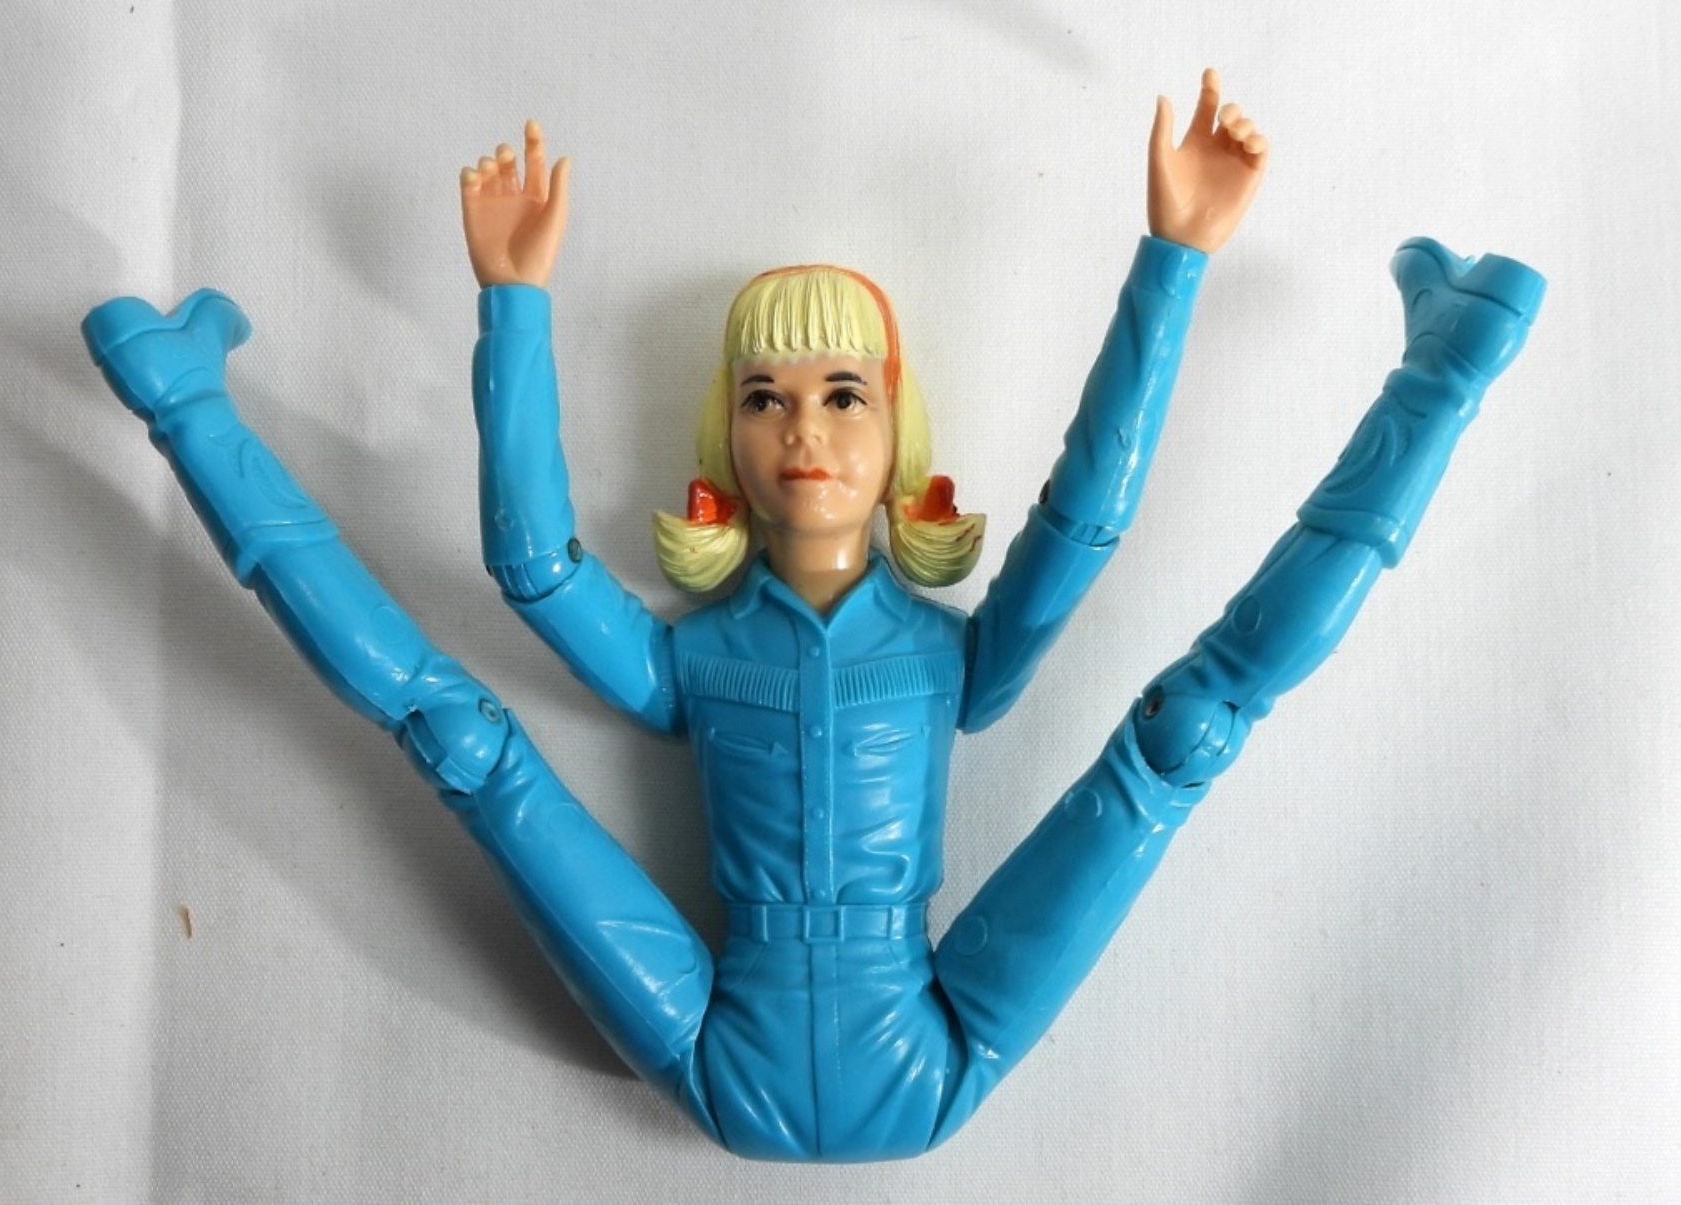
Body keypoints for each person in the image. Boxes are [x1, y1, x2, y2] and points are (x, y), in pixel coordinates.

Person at [81, 70, 1543, 1161]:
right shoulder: (694, 658)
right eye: (765, 396)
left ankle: (1447, 370)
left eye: (846, 391)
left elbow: (1085, 518)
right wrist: (512, 299)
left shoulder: (954, 655)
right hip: (720, 1045)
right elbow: (529, 566)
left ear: (899, 432)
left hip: (934, 1047)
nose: (805, 426)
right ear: (724, 442)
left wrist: (1176, 255)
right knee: (459, 735)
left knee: (1187, 727)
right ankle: (186, 401)